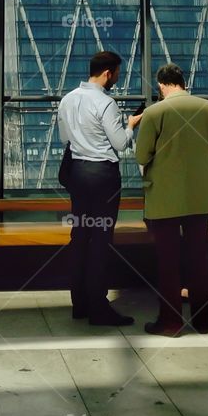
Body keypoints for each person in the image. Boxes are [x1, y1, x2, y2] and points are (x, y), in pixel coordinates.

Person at [136, 62, 208, 336]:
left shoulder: (154, 112)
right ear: (182, 81)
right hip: (199, 195)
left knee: (168, 262)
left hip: (164, 196)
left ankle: (170, 322)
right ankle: (203, 320)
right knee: (199, 258)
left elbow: (141, 156)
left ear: (161, 85)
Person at [58, 50, 142, 326]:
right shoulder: (106, 103)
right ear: (108, 73)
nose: (118, 77)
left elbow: (64, 137)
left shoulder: (68, 99)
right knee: (101, 241)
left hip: (78, 174)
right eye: (117, 73)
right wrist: (130, 126)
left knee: (80, 237)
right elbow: (119, 144)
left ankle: (79, 304)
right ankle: (98, 307)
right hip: (102, 175)